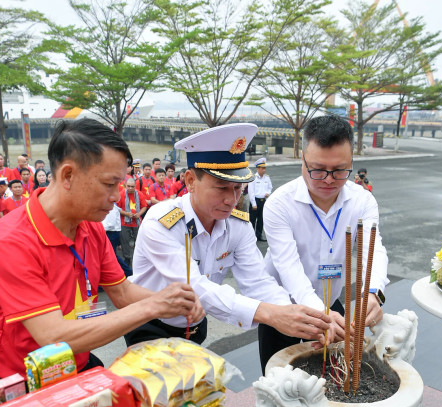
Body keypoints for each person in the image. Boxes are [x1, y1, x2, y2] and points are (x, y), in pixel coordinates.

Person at [0, 118, 202, 382]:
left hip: (78, 363)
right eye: (109, 184)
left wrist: (174, 300)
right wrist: (154, 306)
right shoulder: (9, 242)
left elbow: (122, 291)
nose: (117, 196)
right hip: (24, 381)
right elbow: (53, 336)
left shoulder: (90, 227)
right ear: (68, 176)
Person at [129, 123, 331, 347]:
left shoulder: (236, 225)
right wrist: (270, 314)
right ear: (190, 181)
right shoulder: (163, 222)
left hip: (194, 326)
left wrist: (303, 317)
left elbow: (257, 281)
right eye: (221, 187)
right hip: (149, 325)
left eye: (238, 189)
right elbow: (195, 289)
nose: (231, 199)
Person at [261, 115, 389, 371]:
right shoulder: (279, 204)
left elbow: (372, 249)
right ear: (302, 162)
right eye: (318, 170)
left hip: (330, 302)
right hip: (283, 303)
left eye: (340, 170)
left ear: (351, 162)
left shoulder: (362, 201)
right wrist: (321, 314)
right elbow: (288, 267)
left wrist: (373, 293)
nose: (329, 179)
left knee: (330, 375)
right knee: (278, 380)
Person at [117, 178, 148, 266]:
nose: (130, 188)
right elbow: (117, 208)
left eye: (132, 186)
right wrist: (126, 213)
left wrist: (139, 214)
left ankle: (138, 258)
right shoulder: (121, 194)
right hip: (124, 222)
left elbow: (144, 206)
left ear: (135, 187)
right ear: (125, 186)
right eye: (128, 186)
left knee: (139, 241)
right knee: (125, 241)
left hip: (137, 222)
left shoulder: (139, 194)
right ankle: (127, 258)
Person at [248, 157, 272, 241]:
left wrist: (268, 193)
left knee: (261, 220)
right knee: (252, 220)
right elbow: (251, 192)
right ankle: (251, 236)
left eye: (265, 168)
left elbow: (270, 187)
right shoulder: (253, 178)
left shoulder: (267, 178)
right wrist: (254, 204)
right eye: (262, 168)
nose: (264, 170)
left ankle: (259, 235)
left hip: (263, 201)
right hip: (255, 201)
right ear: (257, 168)